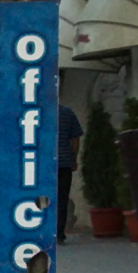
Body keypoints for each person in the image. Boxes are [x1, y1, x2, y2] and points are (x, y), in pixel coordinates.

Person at [57, 104, 84, 244]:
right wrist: (73, 159)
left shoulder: (37, 112)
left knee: (42, 198)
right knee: (62, 199)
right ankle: (59, 234)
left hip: (42, 164)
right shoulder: (67, 113)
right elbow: (75, 139)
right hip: (64, 162)